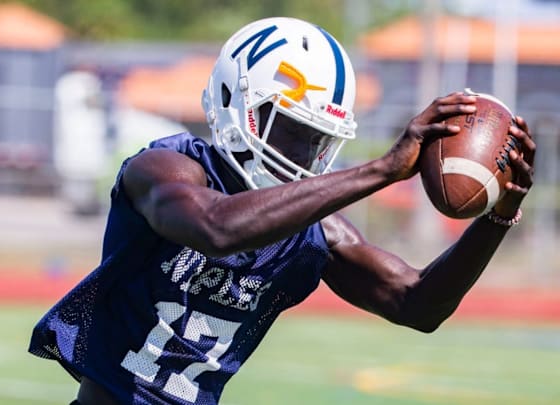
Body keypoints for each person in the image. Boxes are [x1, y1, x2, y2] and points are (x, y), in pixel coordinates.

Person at [29, 17, 535, 405]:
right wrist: (382, 170)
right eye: (291, 129)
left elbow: (417, 305)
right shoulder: (165, 168)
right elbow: (215, 227)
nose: (301, 153)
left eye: (317, 140)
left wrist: (497, 217)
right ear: (234, 100)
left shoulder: (314, 228)